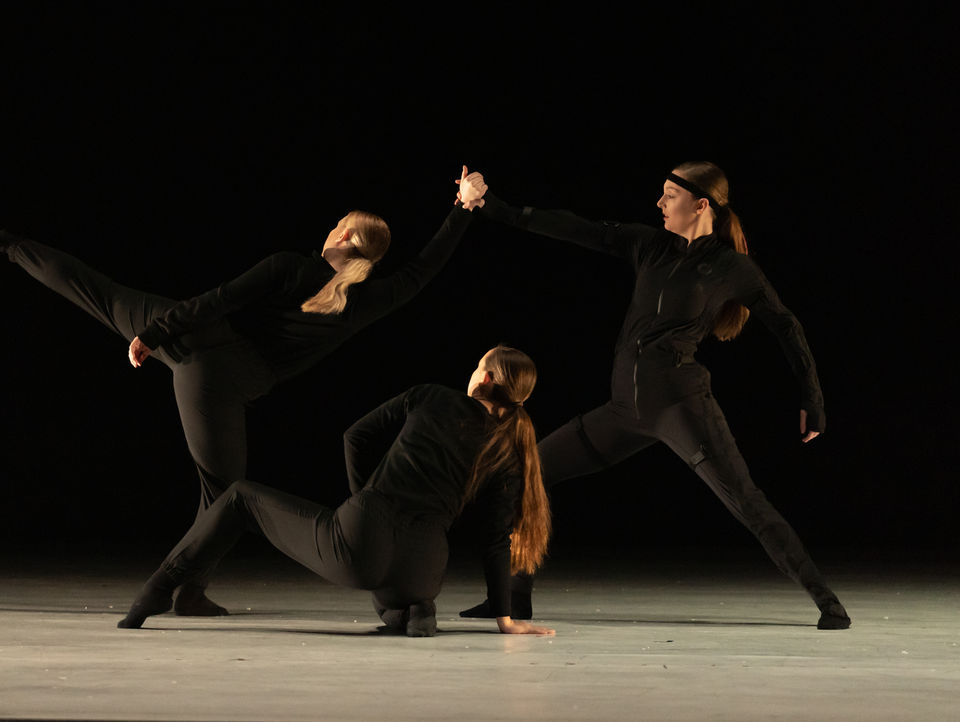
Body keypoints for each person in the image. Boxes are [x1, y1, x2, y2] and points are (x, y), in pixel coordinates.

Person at [1, 166, 487, 617]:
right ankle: (190, 590)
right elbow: (424, 269)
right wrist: (463, 208)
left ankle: (10, 245)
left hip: (194, 339)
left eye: (336, 226)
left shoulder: (290, 266)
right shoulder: (368, 299)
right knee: (222, 492)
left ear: (341, 235)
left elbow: (219, 300)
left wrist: (155, 334)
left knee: (99, 292)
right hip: (223, 381)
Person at [457, 162, 851, 630]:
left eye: (670, 195)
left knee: (746, 501)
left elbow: (787, 326)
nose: (659, 203)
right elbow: (575, 227)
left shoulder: (732, 268)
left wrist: (813, 400)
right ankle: (513, 598)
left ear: (700, 205)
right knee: (529, 473)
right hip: (623, 410)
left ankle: (827, 602)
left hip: (682, 408)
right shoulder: (649, 246)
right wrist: (491, 205)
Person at [115, 345, 556, 637]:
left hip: (363, 540)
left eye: (478, 366)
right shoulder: (509, 451)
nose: (472, 372)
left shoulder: (432, 396)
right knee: (385, 589)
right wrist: (505, 620)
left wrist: (363, 502)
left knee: (240, 497)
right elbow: (496, 540)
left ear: (486, 379)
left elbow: (354, 436)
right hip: (424, 570)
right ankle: (413, 611)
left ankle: (157, 589)